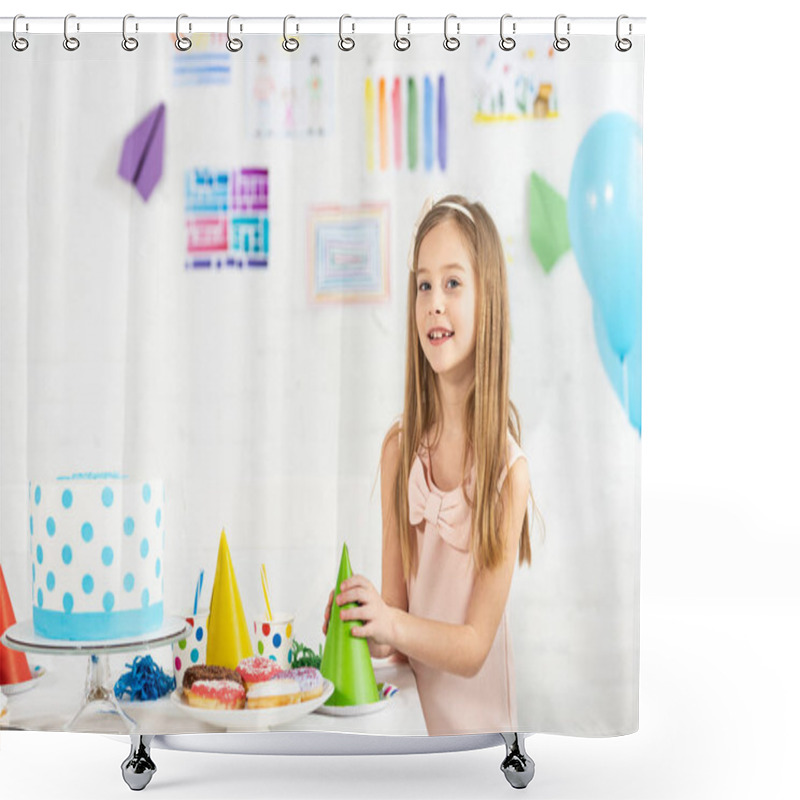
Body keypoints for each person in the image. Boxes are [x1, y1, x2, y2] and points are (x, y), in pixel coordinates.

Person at [323, 195, 533, 735]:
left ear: (489, 301)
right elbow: (398, 621)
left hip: (482, 745)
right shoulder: (399, 452)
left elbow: (472, 648)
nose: (434, 303)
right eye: (423, 285)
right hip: (414, 734)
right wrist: (368, 622)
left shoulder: (507, 474)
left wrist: (391, 620)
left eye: (453, 283)